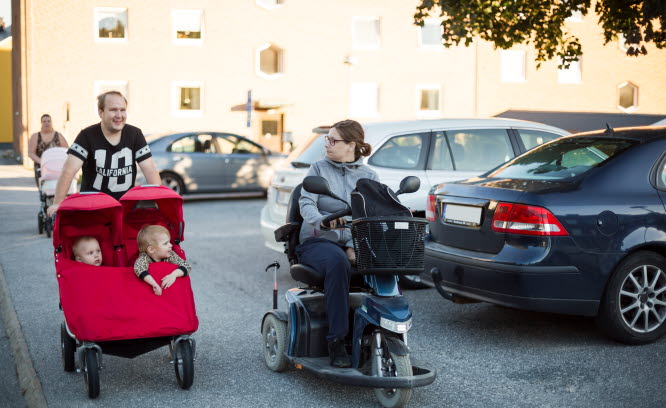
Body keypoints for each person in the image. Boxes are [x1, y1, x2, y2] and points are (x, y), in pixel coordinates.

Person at [297, 119, 377, 368]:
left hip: (353, 240)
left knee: (388, 263)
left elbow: (370, 215)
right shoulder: (318, 169)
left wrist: (354, 243)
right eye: (327, 139)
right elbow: (306, 203)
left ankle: (383, 333)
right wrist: (321, 221)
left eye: (333, 140)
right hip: (317, 240)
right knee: (337, 262)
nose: (327, 144)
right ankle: (337, 341)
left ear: (351, 144)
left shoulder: (369, 176)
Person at [47, 91, 161, 217]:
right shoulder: (86, 136)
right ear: (100, 112)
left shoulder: (135, 134)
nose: (119, 115)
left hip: (124, 209)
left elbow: (150, 169)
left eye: (122, 110)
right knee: (88, 237)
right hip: (92, 210)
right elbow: (69, 170)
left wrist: (161, 201)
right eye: (113, 110)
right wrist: (58, 203)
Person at [134, 225, 191, 296]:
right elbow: (138, 268)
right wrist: (154, 284)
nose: (171, 245)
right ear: (151, 249)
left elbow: (187, 266)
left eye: (169, 242)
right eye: (165, 243)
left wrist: (173, 275)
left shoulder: (170, 255)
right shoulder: (144, 258)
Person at [28, 114, 69, 186]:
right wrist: (42, 162)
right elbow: (31, 153)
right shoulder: (35, 136)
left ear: (51, 122)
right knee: (44, 191)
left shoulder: (58, 135)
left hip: (57, 167)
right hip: (41, 167)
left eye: (48, 121)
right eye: (44, 121)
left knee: (57, 188)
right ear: (41, 123)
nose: (46, 123)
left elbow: (66, 151)